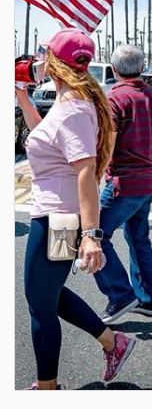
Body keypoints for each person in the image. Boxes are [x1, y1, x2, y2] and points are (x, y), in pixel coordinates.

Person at [15, 28, 136, 389]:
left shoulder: (74, 110)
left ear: (54, 62)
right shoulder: (70, 105)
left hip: (59, 219)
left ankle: (47, 387)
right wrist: (23, 97)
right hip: (54, 215)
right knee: (44, 295)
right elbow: (48, 141)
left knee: (40, 303)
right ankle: (113, 342)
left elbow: (85, 172)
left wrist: (91, 236)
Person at [95, 45, 152, 324]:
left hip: (125, 183)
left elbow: (108, 145)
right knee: (138, 239)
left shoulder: (116, 98)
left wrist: (94, 176)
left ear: (115, 69)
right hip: (150, 182)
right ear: (143, 68)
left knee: (95, 235)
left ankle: (121, 294)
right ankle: (148, 300)